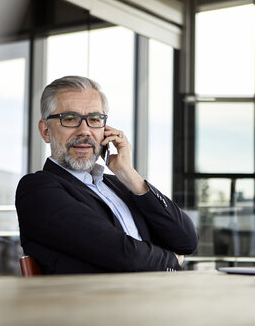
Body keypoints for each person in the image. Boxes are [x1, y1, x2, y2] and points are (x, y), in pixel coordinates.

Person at [15, 75, 198, 274]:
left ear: (105, 129)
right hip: (94, 303)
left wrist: (128, 174)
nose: (84, 130)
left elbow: (187, 240)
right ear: (45, 131)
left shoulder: (119, 185)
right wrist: (171, 260)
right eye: (69, 119)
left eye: (94, 119)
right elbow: (122, 254)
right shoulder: (38, 190)